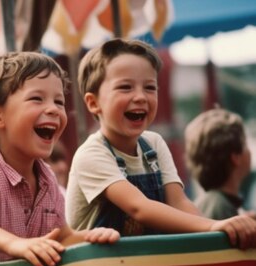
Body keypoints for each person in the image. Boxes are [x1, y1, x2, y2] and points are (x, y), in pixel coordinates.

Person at [66, 38, 256, 248]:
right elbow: (139, 207)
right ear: (93, 103)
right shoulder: (92, 154)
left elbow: (179, 202)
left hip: (146, 261)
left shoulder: (154, 144)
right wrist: (212, 226)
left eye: (150, 87)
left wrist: (215, 227)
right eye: (125, 87)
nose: (140, 96)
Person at [0, 51, 119, 266]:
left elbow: (62, 237)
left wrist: (90, 237)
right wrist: (14, 244)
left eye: (59, 101)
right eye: (36, 99)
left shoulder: (47, 177)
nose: (53, 109)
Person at [184, 108, 254, 220]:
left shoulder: (213, 203)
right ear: (235, 157)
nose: (249, 150)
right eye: (245, 144)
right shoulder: (220, 208)